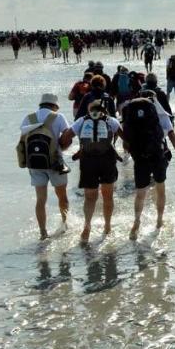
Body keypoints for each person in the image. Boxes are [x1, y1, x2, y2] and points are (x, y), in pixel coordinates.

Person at [122, 91, 175, 239]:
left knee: (140, 193)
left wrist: (131, 153)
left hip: (140, 158)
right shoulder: (161, 115)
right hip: (158, 156)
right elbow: (172, 137)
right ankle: (159, 220)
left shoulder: (132, 114)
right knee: (160, 189)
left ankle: (137, 220)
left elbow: (126, 141)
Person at [59, 99, 123, 243]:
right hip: (107, 161)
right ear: (104, 110)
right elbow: (125, 139)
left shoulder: (82, 121)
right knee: (108, 196)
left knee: (89, 197)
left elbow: (66, 138)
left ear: (90, 110)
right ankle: (107, 226)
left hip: (88, 161)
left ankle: (87, 225)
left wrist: (61, 148)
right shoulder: (111, 121)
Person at [19, 93, 71, 240]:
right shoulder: (58, 117)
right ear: (54, 105)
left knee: (40, 199)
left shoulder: (29, 118)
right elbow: (67, 136)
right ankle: (65, 224)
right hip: (55, 162)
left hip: (35, 163)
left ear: (41, 104)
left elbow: (22, 140)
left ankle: (43, 232)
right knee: (62, 196)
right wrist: (61, 148)